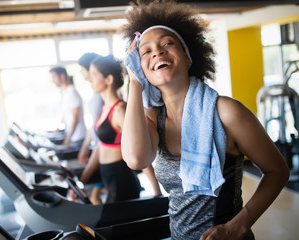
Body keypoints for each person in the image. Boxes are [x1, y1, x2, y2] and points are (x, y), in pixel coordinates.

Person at [121, 1, 289, 240]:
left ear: (189, 57)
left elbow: (277, 171)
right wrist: (135, 83)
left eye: (168, 43)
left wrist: (237, 226)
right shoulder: (152, 119)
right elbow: (136, 159)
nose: (157, 51)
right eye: (145, 51)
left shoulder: (226, 112)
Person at [79, 54, 161, 204]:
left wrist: (157, 192)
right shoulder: (106, 108)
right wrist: (83, 179)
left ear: (108, 79)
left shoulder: (120, 111)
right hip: (109, 178)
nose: (89, 79)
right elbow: (100, 147)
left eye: (94, 75)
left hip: (121, 181)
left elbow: (140, 152)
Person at [77, 53, 105, 204]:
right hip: (96, 150)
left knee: (94, 195)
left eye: (82, 69)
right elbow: (94, 125)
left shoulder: (102, 96)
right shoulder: (95, 94)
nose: (81, 73)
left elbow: (105, 130)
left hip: (102, 152)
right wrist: (85, 148)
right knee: (94, 196)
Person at [50, 66, 86, 145]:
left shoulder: (72, 93)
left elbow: (75, 119)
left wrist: (68, 139)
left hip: (78, 137)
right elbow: (66, 114)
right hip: (72, 136)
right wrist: (56, 129)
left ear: (62, 76)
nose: (52, 80)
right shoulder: (65, 92)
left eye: (54, 77)